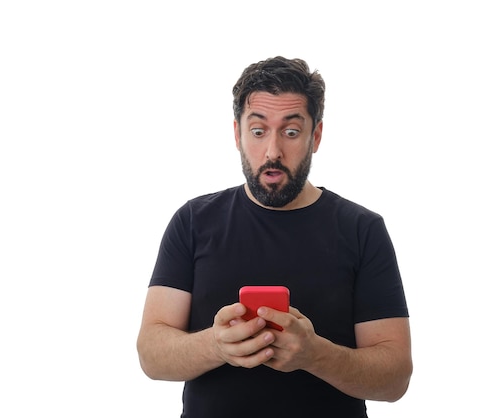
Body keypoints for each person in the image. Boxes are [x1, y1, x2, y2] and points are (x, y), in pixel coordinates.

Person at [136, 56, 412, 417]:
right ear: (237, 134)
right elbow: (151, 355)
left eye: (291, 132)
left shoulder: (362, 229)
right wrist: (216, 346)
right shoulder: (192, 221)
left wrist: (315, 355)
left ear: (316, 136)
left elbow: (395, 379)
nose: (273, 152)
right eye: (258, 130)